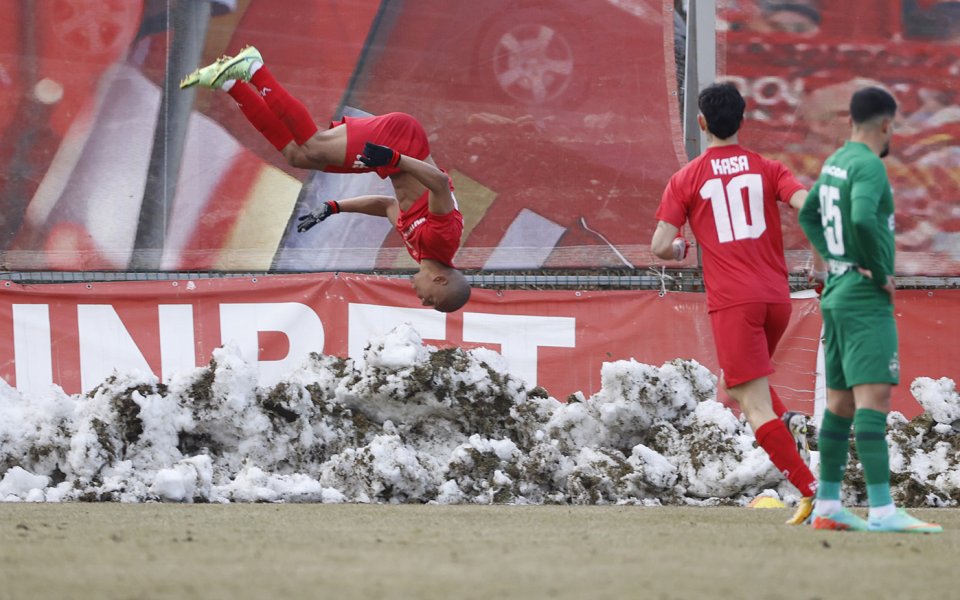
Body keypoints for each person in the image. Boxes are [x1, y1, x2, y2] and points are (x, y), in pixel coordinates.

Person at [180, 46, 471, 312]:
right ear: (441, 281)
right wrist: (394, 158)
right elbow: (439, 183)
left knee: (299, 156)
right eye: (430, 299)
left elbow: (385, 205)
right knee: (315, 146)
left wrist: (334, 207)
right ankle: (254, 68)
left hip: (395, 158)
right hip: (401, 140)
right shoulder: (442, 243)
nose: (422, 299)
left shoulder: (421, 251)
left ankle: (230, 82)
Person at [651, 82, 818, 525]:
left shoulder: (686, 178)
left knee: (751, 403)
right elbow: (808, 207)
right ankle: (794, 429)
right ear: (742, 121)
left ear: (702, 123)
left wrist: (682, 249)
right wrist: (822, 259)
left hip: (734, 302)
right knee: (742, 382)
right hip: (777, 299)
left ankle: (811, 488)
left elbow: (660, 246)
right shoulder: (769, 168)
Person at [798, 87, 942, 533]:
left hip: (837, 291)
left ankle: (827, 507)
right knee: (874, 398)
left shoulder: (836, 162)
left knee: (839, 404)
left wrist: (834, 259)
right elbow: (861, 218)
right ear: (886, 124)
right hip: (863, 297)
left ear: (849, 122)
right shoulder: (869, 167)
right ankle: (881, 511)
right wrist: (877, 270)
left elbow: (808, 214)